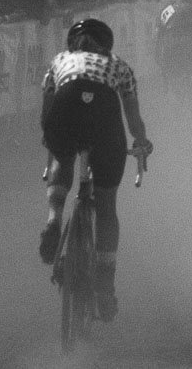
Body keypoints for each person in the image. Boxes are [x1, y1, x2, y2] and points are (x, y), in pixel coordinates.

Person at [38, 19, 153, 323]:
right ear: (107, 44)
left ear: (73, 43)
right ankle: (105, 281)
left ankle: (53, 219)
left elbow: (47, 104)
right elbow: (132, 116)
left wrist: (50, 135)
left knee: (62, 158)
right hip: (104, 114)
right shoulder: (119, 65)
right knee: (106, 206)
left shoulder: (60, 60)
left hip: (65, 105)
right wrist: (141, 141)